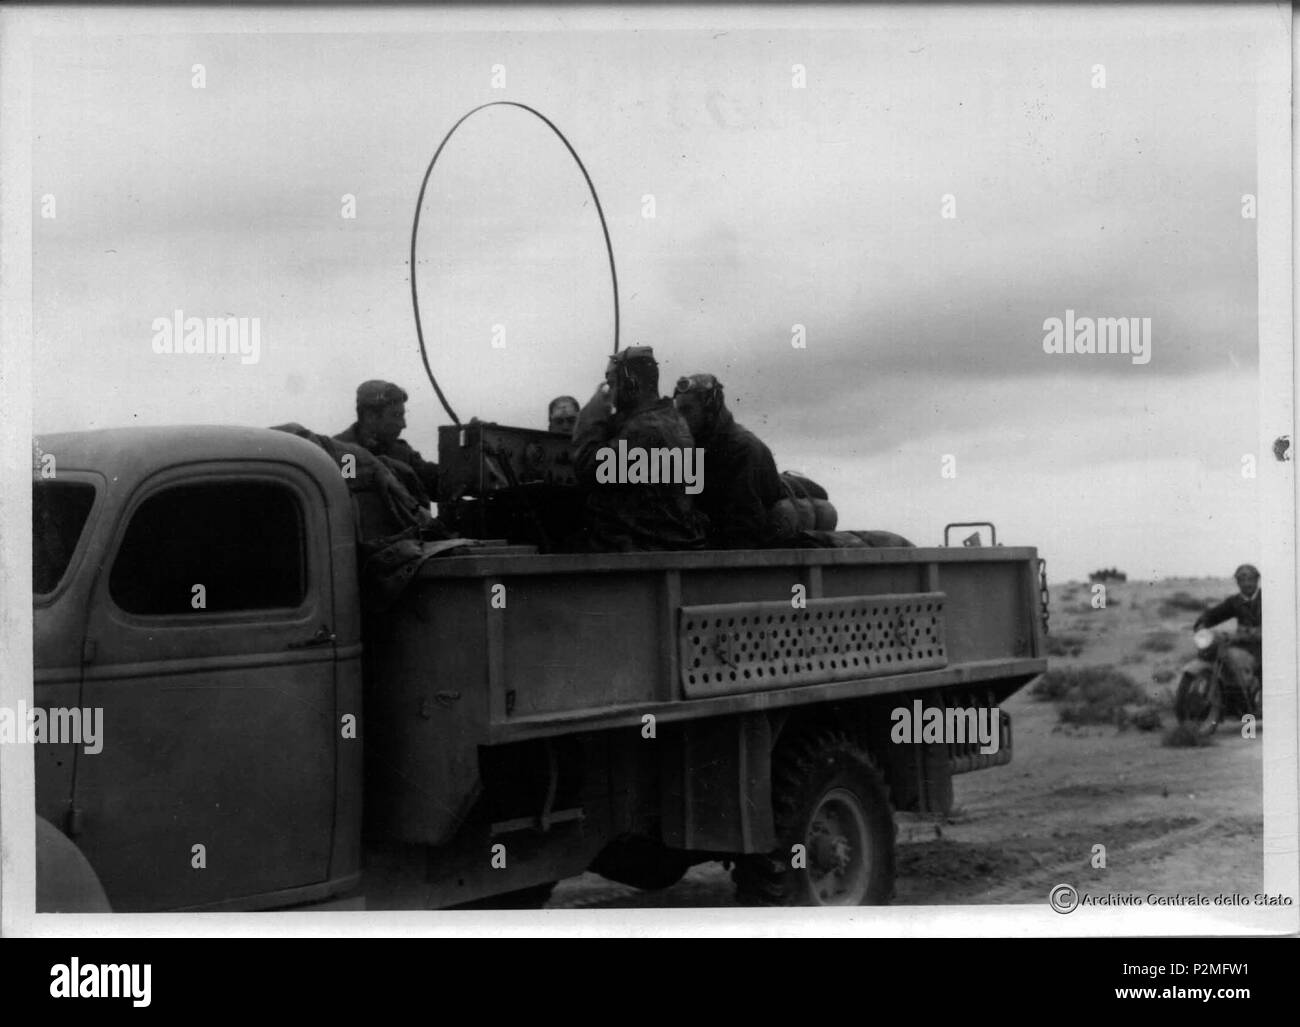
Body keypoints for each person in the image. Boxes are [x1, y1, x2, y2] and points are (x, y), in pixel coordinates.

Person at [571, 347, 705, 551]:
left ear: (631, 382)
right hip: (664, 548)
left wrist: (591, 416)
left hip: (641, 553)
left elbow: (587, 467)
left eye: (612, 384)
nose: (611, 394)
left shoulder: (645, 430)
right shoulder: (673, 420)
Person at [672, 373, 785, 549]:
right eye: (678, 412)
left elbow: (745, 526)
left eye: (687, 410)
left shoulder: (742, 449)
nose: (681, 419)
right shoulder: (693, 448)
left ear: (710, 409)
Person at [336, 380, 439, 507]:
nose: (403, 424)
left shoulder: (401, 452)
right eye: (396, 415)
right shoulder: (343, 453)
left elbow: (435, 482)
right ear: (370, 416)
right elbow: (350, 489)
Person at [1194, 563, 1262, 700]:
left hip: (1265, 647)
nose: (1247, 584)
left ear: (1257, 580)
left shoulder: (1267, 599)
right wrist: (1202, 624)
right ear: (1237, 583)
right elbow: (1216, 614)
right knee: (1221, 656)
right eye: (1242, 580)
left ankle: (1257, 698)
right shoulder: (1235, 601)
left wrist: (1252, 634)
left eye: (1250, 579)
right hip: (1243, 645)